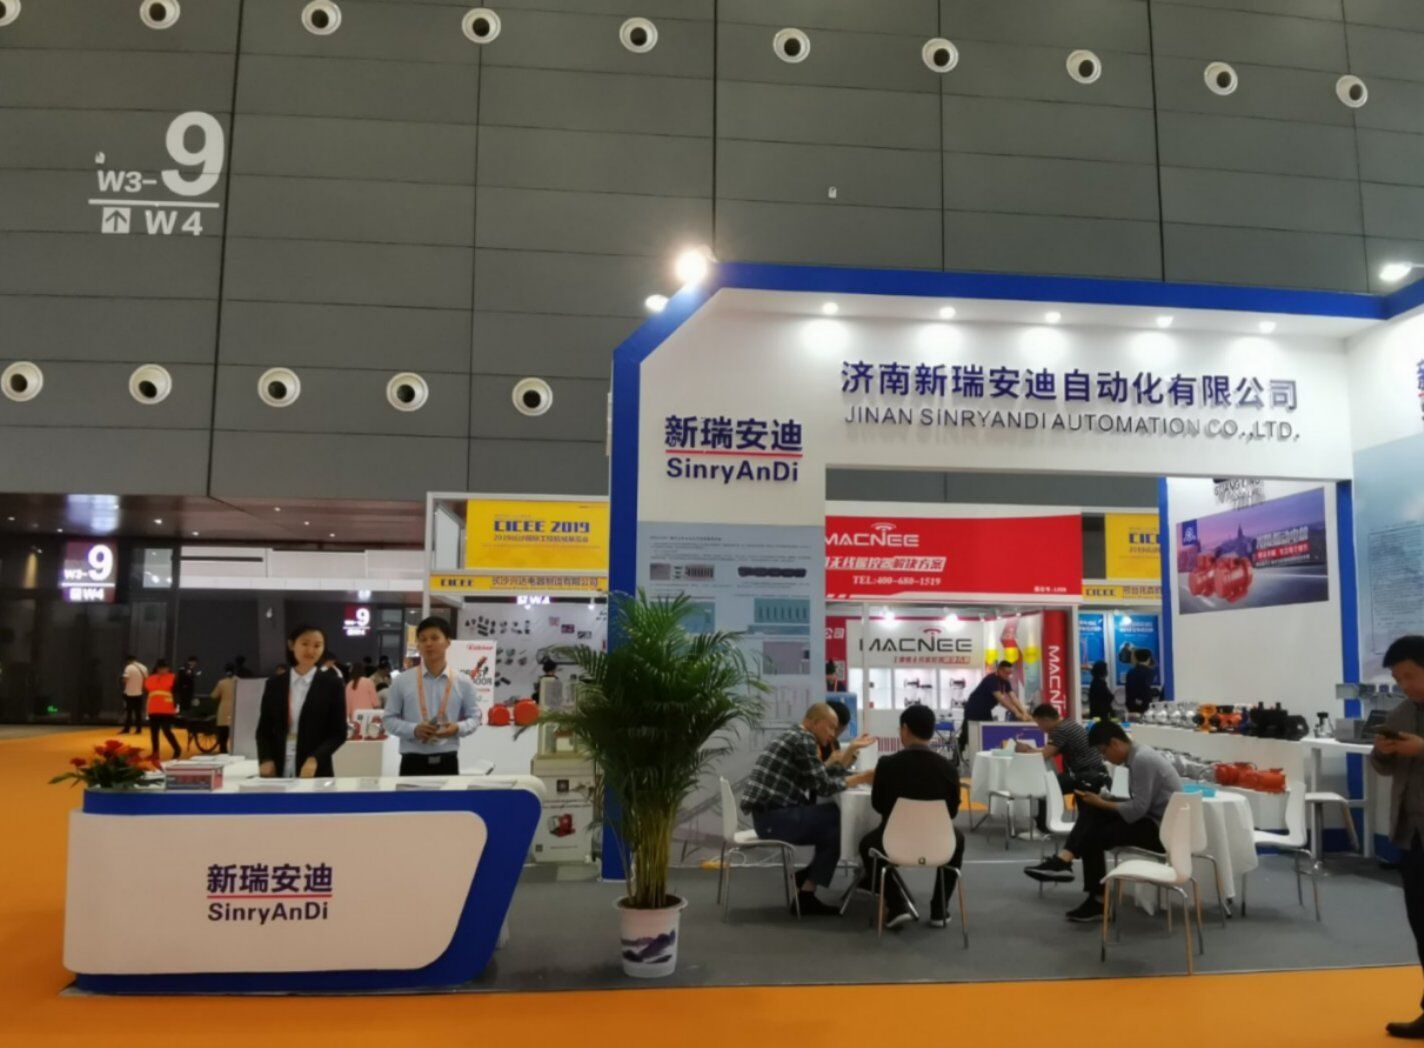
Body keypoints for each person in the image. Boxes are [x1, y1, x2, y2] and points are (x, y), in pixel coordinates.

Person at [1023, 720, 1182, 922]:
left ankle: (1089, 890)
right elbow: (1139, 804)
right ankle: (1068, 864)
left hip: (1161, 831)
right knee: (1093, 811)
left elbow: (1138, 809)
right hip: (1151, 821)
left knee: (1093, 832)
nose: (1104, 758)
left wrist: (1103, 803)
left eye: (1103, 752)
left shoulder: (1142, 760)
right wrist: (1104, 802)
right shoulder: (1137, 757)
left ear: (1115, 743)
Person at [740, 702, 873, 916]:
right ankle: (808, 887)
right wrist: (862, 778)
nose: (832, 734)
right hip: (774, 819)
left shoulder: (797, 736)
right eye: (830, 727)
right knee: (840, 821)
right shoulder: (804, 739)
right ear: (814, 722)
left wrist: (850, 753)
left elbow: (818, 777)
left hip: (770, 817)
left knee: (835, 820)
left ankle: (807, 885)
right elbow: (823, 786)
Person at [859, 704, 964, 930]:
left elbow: (878, 805)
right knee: (958, 839)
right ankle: (939, 909)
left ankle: (896, 905)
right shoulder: (948, 768)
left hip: (894, 840)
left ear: (905, 729)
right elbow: (952, 812)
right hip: (938, 841)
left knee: (867, 845)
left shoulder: (887, 765)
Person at [1370, 635, 1424, 1040]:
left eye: (1410, 675)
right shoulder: (1402, 712)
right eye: (1398, 678)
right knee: (1422, 925)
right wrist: (1383, 752)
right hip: (1412, 835)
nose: (1404, 684)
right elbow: (1384, 768)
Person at [383, 616, 482, 776]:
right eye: (423, 639)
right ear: (418, 645)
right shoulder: (402, 681)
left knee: (448, 795)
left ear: (448, 642)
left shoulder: (463, 682)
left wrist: (457, 728)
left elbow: (475, 718)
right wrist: (414, 729)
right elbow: (388, 720)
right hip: (412, 762)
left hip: (447, 761)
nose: (428, 643)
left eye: (434, 638)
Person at [255, 624, 348, 778]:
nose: (311, 651)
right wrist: (265, 759)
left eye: (317, 646)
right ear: (292, 645)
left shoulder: (333, 685)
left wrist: (315, 758)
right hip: (277, 768)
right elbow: (263, 730)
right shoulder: (274, 684)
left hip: (314, 769)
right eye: (305, 644)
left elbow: (338, 734)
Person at [1016, 703, 1111, 831]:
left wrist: (1025, 751)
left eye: (1039, 724)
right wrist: (1030, 749)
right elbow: (1051, 751)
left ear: (1046, 720)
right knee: (1051, 785)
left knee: (1045, 788)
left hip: (1086, 775)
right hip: (1094, 773)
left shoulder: (1060, 730)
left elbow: (1044, 755)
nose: (1040, 728)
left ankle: (1043, 828)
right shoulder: (1068, 724)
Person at [959, 660, 1030, 750]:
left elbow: (1014, 698)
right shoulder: (991, 679)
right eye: (1006, 673)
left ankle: (984, 751)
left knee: (988, 731)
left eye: (1010, 673)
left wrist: (1024, 713)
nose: (1008, 675)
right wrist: (1017, 713)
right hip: (973, 708)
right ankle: (959, 752)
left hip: (986, 710)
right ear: (999, 670)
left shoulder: (1005, 681)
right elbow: (1001, 700)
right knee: (967, 733)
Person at [144, 659, 182, 761]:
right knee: (154, 733)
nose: (162, 670)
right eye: (160, 668)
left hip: (167, 709)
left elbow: (176, 693)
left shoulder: (173, 678)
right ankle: (155, 753)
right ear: (157, 669)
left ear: (168, 668)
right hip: (153, 709)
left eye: (164, 668)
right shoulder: (150, 679)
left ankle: (177, 748)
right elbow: (147, 693)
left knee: (166, 730)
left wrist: (177, 705)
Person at [210, 663, 237, 754]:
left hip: (224, 710)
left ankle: (223, 751)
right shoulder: (239, 681)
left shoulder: (221, 683)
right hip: (236, 710)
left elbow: (214, 695)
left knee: (223, 734)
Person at [119, 654, 147, 735]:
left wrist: (122, 680)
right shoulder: (143, 667)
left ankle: (127, 729)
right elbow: (146, 679)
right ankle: (138, 729)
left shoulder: (129, 667)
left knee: (129, 713)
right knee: (138, 713)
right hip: (139, 693)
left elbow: (125, 679)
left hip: (129, 693)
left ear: (128, 661)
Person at [1124, 649, 1156, 718]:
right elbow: (1145, 688)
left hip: (1131, 703)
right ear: (1149, 658)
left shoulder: (1130, 672)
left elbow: (1128, 688)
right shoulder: (1149, 672)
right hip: (1144, 703)